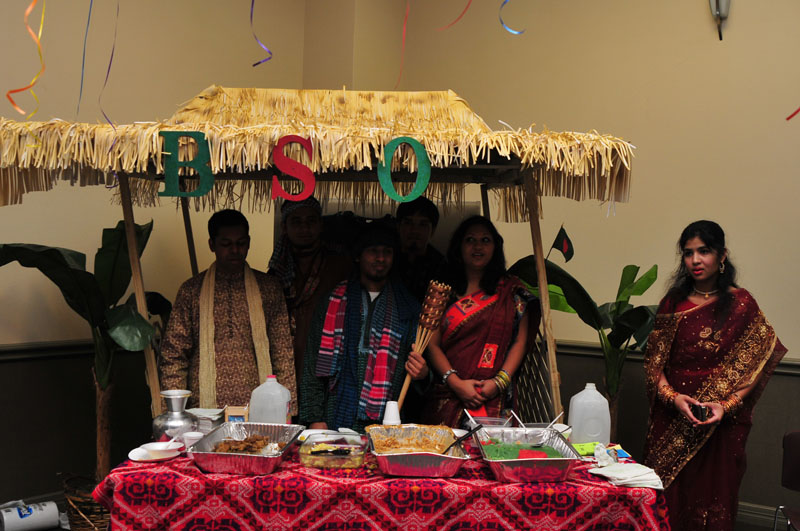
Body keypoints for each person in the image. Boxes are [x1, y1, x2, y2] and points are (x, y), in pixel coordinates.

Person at [642, 220, 786, 531]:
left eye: (704, 251)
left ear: (722, 255)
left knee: (713, 502)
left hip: (720, 426)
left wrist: (726, 406)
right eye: (688, 253)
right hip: (673, 421)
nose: (695, 260)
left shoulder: (742, 304)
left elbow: (756, 365)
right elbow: (654, 365)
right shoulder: (673, 303)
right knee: (668, 504)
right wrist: (673, 399)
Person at [160, 209, 297, 414]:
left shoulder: (269, 288)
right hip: (203, 408)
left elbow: (283, 351)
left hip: (259, 406)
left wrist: (287, 410)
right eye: (226, 244)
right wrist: (175, 412)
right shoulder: (191, 291)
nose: (235, 250)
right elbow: (174, 353)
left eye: (241, 243)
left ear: (249, 243)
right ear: (212, 245)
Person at [299, 222, 428, 432]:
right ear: (358, 256)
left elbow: (420, 375)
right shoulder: (333, 301)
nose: (381, 258)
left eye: (387, 252)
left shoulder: (408, 308)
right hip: (333, 416)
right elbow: (312, 364)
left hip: (388, 422)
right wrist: (315, 417)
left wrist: (423, 374)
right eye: (373, 251)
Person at [420, 215, 538, 428]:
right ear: (459, 246)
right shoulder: (443, 290)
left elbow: (520, 342)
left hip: (494, 397)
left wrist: (498, 382)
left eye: (485, 240)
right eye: (470, 240)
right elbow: (431, 343)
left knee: (493, 449)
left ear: (495, 247)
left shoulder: (511, 292)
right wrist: (456, 383)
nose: (477, 246)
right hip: (448, 394)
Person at [267, 197, 352, 385]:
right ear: (284, 227)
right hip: (286, 358)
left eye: (311, 221)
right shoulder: (277, 270)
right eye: (296, 222)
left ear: (321, 225)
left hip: (327, 356)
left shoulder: (341, 265)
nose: (304, 228)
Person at [395, 196, 446, 301]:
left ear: (433, 230)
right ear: (398, 226)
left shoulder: (442, 267)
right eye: (408, 222)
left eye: (423, 224)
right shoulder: (385, 260)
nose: (414, 230)